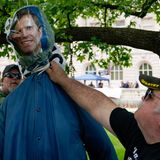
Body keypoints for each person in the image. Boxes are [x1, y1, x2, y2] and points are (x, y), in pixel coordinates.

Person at [0, 5, 118, 160]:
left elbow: (103, 150)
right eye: (19, 31)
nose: (24, 34)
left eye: (29, 27)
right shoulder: (9, 104)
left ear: (41, 31)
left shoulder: (73, 94)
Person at [47, 61, 160, 160]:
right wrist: (63, 79)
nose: (142, 98)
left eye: (148, 95)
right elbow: (98, 104)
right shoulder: (137, 130)